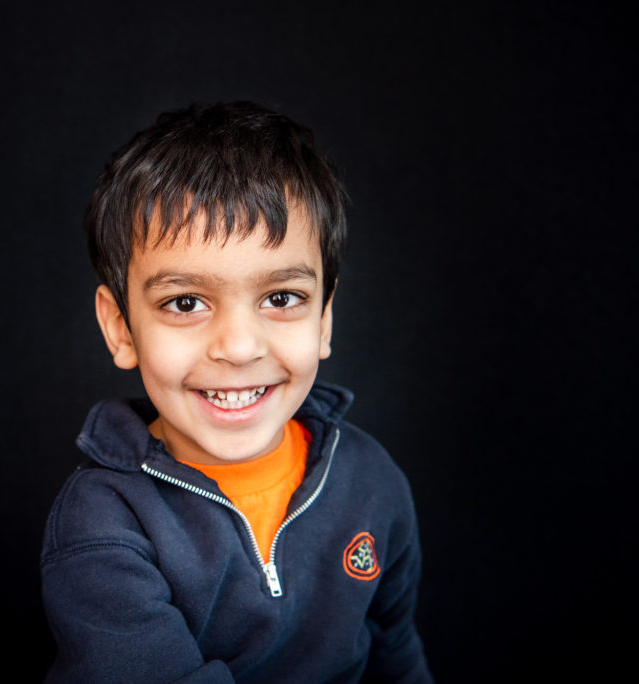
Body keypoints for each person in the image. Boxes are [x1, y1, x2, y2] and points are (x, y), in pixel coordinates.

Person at [40, 101, 432, 683]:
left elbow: (394, 652)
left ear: (324, 318)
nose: (240, 347)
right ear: (121, 328)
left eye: (281, 298)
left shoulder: (371, 481)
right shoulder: (104, 525)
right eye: (185, 302)